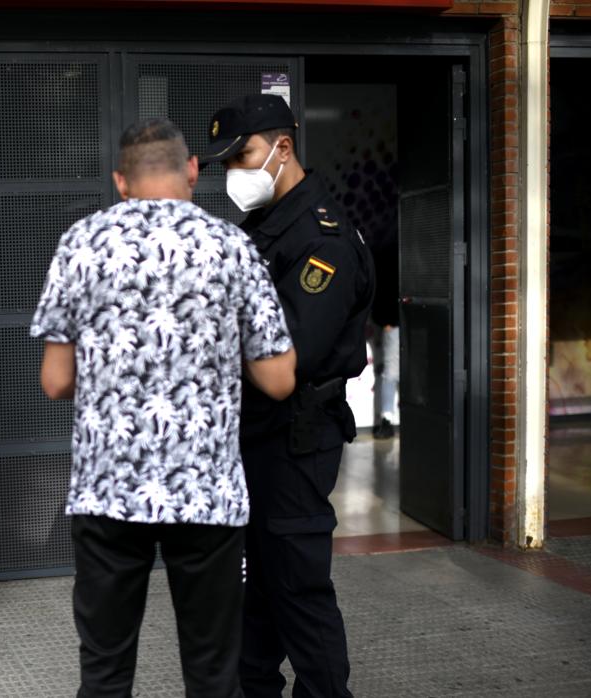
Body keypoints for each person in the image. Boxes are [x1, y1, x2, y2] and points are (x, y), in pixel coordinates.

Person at [33, 118, 297, 697]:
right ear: (194, 171)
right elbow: (278, 379)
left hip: (108, 492)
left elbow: (55, 381)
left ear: (121, 181)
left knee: (104, 670)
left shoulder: (82, 242)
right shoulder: (233, 246)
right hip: (207, 494)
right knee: (212, 673)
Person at [199, 95, 374, 698]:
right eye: (225, 163)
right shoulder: (265, 228)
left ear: (283, 147)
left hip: (296, 435)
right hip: (253, 432)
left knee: (296, 583)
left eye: (242, 156)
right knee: (252, 581)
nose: (234, 175)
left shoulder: (319, 238)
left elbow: (287, 356)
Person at [369, 224, 400, 439]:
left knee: (390, 372)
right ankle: (387, 419)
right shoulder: (391, 253)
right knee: (391, 372)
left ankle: (387, 419)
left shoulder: (384, 252)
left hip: (394, 320)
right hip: (396, 319)